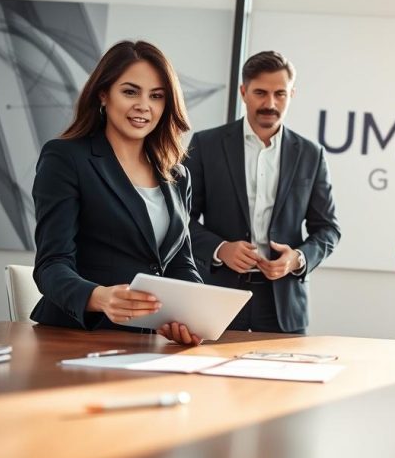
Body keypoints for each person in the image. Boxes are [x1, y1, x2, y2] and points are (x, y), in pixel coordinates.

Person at [31, 40, 203, 345]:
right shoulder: (66, 158)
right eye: (130, 91)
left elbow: (181, 264)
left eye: (156, 96)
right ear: (103, 94)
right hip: (76, 335)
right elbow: (51, 265)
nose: (143, 106)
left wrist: (194, 314)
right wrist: (98, 297)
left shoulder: (177, 175)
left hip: (148, 340)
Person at [185, 51, 340, 334]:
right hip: (218, 297)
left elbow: (328, 229)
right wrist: (221, 249)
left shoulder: (311, 154)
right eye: (260, 93)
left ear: (292, 93)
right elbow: (180, 218)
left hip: (284, 306)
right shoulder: (205, 145)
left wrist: (297, 258)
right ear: (244, 92)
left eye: (280, 94)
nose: (270, 103)